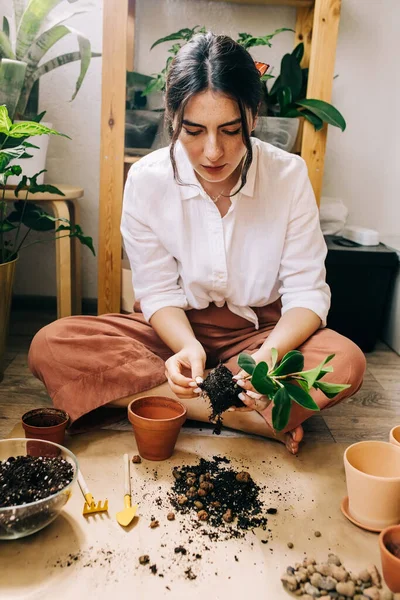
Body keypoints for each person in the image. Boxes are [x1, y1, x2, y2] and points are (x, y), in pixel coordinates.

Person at [28, 32, 366, 454]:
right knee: (52, 345)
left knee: (346, 361)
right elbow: (156, 291)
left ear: (254, 118)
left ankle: (161, 403)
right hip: (173, 332)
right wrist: (186, 347)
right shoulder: (148, 180)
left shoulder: (289, 175)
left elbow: (307, 291)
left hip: (261, 334)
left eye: (230, 130)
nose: (212, 152)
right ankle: (251, 419)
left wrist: (270, 356)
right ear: (172, 119)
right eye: (193, 130)